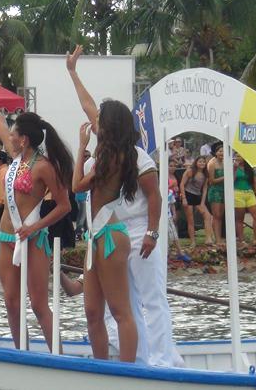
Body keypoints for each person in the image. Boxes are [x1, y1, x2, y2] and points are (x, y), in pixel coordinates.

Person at [67, 45, 182, 367]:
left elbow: (156, 197)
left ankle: (163, 359)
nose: (95, 122)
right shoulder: (105, 151)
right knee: (125, 302)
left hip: (138, 229)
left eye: (101, 121)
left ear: (111, 127)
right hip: (109, 229)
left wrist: (152, 233)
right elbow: (89, 106)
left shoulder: (138, 157)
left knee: (152, 297)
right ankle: (139, 358)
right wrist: (73, 73)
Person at [0, 71, 73, 353]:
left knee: (38, 304)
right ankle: (22, 355)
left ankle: (58, 358)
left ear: (23, 139)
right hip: (6, 238)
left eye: (13, 133)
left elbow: (65, 206)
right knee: (11, 302)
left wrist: (35, 227)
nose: (8, 136)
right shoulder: (15, 158)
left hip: (33, 239)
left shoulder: (44, 167)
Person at [73, 114, 138, 362]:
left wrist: (81, 147)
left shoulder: (113, 158)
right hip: (96, 235)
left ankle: (128, 371)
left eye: (100, 118)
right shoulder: (110, 154)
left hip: (110, 235)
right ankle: (101, 367)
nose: (95, 122)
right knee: (92, 312)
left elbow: (77, 186)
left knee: (120, 311)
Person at [180, 155, 214, 247]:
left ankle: (208, 238)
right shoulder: (190, 171)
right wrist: (184, 198)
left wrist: (202, 202)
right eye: (200, 161)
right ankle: (193, 241)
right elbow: (182, 184)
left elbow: (205, 188)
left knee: (207, 216)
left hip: (198, 196)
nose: (202, 163)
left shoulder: (205, 174)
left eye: (203, 162)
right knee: (191, 220)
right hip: (188, 194)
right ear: (196, 162)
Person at [233, 153, 256, 244]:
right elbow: (231, 180)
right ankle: (242, 240)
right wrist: (234, 169)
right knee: (240, 218)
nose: (239, 158)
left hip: (249, 192)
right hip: (238, 193)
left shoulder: (249, 168)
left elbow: (255, 183)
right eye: (237, 156)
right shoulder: (234, 168)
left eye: (240, 156)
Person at [207, 142, 225, 244]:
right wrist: (225, 177)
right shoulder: (212, 163)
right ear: (216, 153)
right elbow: (211, 181)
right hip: (215, 192)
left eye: (223, 151)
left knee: (220, 216)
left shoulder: (226, 162)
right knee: (216, 215)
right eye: (220, 151)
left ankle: (219, 238)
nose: (222, 153)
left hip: (224, 191)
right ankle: (217, 239)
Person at [74, 150, 91, 240]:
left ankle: (85, 234)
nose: (87, 158)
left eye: (89, 156)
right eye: (85, 156)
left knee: (86, 217)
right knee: (82, 216)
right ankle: (78, 233)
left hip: (86, 196)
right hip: (81, 196)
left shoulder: (88, 167)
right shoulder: (80, 168)